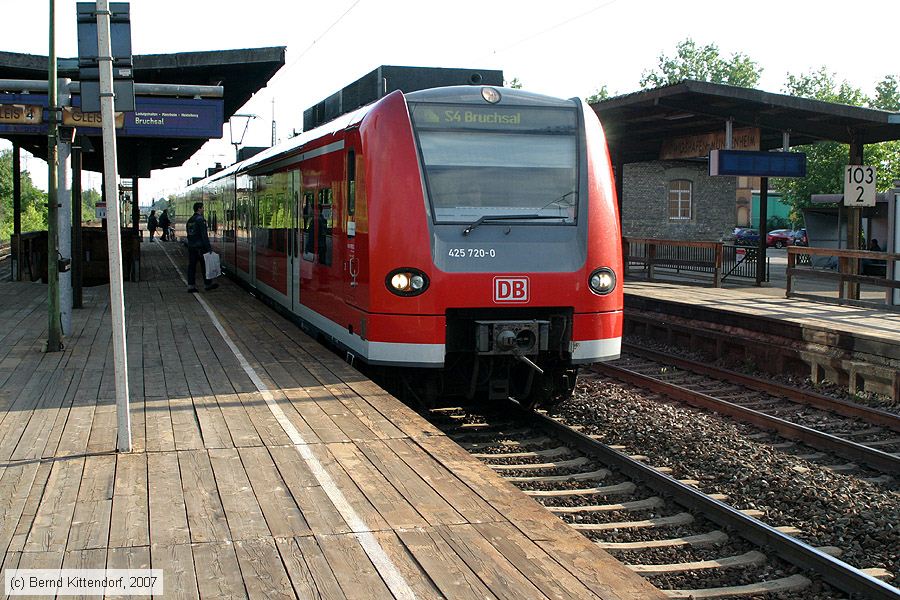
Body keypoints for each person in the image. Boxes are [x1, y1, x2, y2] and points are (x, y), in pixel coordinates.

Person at [186, 202, 218, 293]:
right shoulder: (200, 220)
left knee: (192, 267)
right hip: (200, 247)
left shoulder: (190, 220)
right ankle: (207, 284)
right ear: (199, 209)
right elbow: (204, 235)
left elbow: (188, 234)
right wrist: (208, 248)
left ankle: (191, 286)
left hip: (191, 247)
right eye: (203, 208)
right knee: (205, 266)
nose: (204, 209)